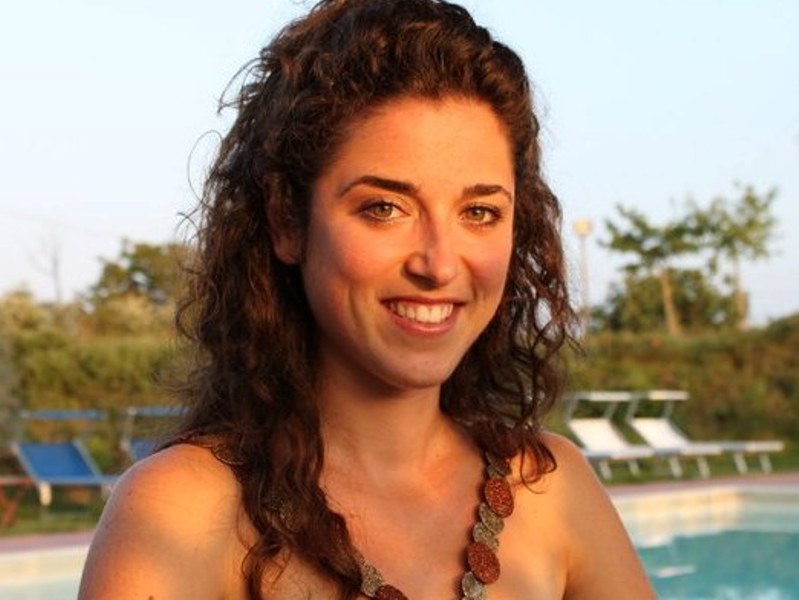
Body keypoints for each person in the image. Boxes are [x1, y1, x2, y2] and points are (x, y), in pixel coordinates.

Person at [79, 1, 656, 598]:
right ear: (286, 220)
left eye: (479, 212)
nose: (439, 264)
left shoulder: (551, 490)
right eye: (384, 208)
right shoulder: (181, 512)